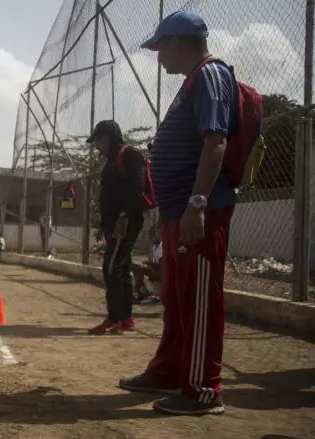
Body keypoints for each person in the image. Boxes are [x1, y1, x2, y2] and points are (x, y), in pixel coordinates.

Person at [119, 11, 240, 416]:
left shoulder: (210, 75)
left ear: (177, 42)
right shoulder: (192, 80)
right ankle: (170, 371)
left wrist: (197, 204)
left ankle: (203, 389)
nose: (157, 57)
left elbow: (216, 142)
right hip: (177, 212)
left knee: (199, 299)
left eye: (159, 47)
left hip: (199, 210)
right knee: (175, 297)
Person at [86, 119, 146, 335]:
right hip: (115, 223)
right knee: (121, 268)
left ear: (109, 138)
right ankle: (126, 318)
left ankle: (114, 319)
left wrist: (124, 216)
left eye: (99, 140)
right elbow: (109, 195)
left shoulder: (130, 155)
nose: (97, 146)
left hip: (126, 221)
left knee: (110, 268)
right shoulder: (111, 162)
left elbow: (136, 186)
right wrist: (105, 224)